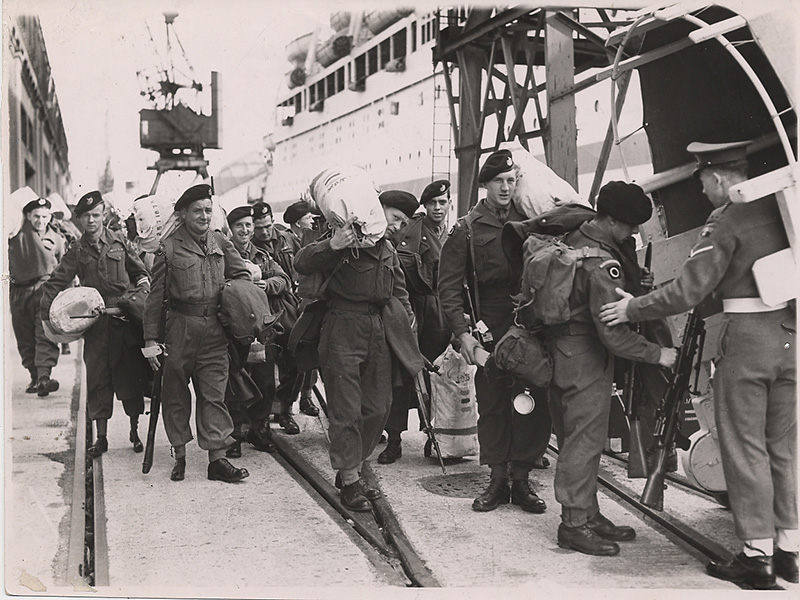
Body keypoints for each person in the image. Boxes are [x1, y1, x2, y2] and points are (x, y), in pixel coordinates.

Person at [599, 141, 796, 587]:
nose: (704, 190)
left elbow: (686, 291)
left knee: (746, 449)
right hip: (790, 340)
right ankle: (789, 551)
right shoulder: (782, 209)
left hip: (747, 346)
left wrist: (632, 310)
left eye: (704, 181)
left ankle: (755, 558)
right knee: (784, 450)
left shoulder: (727, 221)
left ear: (721, 178)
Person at [541, 181, 677, 556]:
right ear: (614, 221)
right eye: (631, 226)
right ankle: (573, 525)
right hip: (586, 358)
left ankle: (588, 512)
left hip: (563, 351)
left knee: (575, 439)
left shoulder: (576, 233)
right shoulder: (603, 264)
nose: (633, 233)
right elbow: (613, 336)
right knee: (583, 445)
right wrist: (658, 354)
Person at [438, 149, 552, 514]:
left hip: (530, 325)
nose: (506, 188)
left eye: (511, 181)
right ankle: (497, 479)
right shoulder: (467, 229)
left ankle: (522, 480)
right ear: (485, 185)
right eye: (498, 181)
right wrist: (464, 335)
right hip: (490, 326)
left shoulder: (532, 219)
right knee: (493, 404)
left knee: (531, 402)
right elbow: (450, 289)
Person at [293, 190, 422, 511]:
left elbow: (400, 293)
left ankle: (354, 464)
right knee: (346, 410)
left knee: (379, 407)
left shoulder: (388, 250)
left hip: (379, 331)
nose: (398, 226)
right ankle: (350, 478)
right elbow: (302, 262)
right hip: (342, 329)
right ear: (378, 211)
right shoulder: (344, 238)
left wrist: (406, 330)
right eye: (395, 218)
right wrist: (333, 244)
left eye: (404, 222)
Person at [142, 184, 252, 483]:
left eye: (208, 210)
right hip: (179, 331)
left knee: (214, 395)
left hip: (215, 332)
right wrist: (151, 341)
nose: (204, 216)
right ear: (183, 214)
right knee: (175, 394)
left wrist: (235, 301)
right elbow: (154, 299)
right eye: (197, 211)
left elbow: (241, 274)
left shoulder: (219, 241)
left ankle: (217, 459)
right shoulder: (169, 248)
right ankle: (180, 453)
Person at [40, 191, 151, 455]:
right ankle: (100, 438)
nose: (92, 220)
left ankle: (134, 431)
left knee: (130, 379)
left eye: (96, 215)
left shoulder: (119, 242)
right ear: (79, 220)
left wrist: (139, 299)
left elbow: (141, 274)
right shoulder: (77, 250)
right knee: (99, 379)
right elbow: (55, 282)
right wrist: (47, 315)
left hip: (124, 322)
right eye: (86, 216)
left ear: (104, 215)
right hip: (96, 325)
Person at [379, 183, 451, 464]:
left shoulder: (449, 234)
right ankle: (394, 440)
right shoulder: (411, 231)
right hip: (412, 309)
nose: (438, 208)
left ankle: (435, 437)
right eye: (432, 203)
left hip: (439, 315)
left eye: (442, 202)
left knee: (436, 377)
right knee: (403, 375)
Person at [225, 205, 293, 456]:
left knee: (265, 380)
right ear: (230, 230)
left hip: (262, 328)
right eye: (239, 226)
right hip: (234, 329)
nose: (245, 230)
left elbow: (283, 279)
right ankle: (234, 433)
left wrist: (267, 285)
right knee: (236, 380)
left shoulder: (262, 256)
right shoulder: (223, 255)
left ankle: (258, 428)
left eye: (248, 225)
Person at [252, 201, 307, 431]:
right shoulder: (249, 245)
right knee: (263, 364)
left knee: (296, 359)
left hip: (287, 307)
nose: (264, 232)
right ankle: (262, 416)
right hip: (261, 310)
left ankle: (285, 409)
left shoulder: (288, 239)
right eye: (259, 227)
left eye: (267, 225)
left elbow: (302, 267)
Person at [9, 196, 65, 396]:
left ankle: (44, 377)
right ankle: (34, 376)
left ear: (50, 217)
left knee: (44, 334)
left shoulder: (57, 239)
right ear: (27, 216)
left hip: (44, 289)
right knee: (24, 336)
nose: (40, 220)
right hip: (19, 291)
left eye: (44, 216)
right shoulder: (17, 233)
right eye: (36, 216)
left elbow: (62, 267)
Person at [282, 199, 321, 418]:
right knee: (297, 352)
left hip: (305, 300)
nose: (312, 222)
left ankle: (306, 396)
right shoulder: (287, 241)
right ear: (298, 222)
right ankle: (289, 404)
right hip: (293, 302)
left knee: (312, 351)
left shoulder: (309, 238)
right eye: (309, 218)